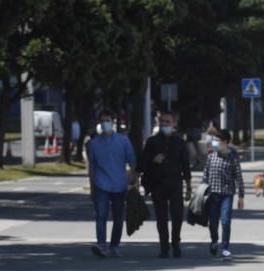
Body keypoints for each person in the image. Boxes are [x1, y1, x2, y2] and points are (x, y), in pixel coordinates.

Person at [140, 110, 191, 258]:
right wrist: (152, 159)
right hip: (157, 183)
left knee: (177, 215)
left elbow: (185, 165)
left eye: (167, 122)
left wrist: (188, 186)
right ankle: (164, 246)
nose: (164, 125)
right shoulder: (152, 141)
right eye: (162, 122)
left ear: (174, 124)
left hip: (175, 183)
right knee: (161, 217)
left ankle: (175, 242)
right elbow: (142, 162)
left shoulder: (180, 142)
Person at [86, 109, 136, 257]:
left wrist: (133, 181)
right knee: (101, 215)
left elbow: (132, 163)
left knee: (118, 217)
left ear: (113, 121)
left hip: (119, 185)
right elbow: (92, 167)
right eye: (102, 121)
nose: (104, 123)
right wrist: (92, 187)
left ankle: (114, 245)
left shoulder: (123, 141)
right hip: (101, 184)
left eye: (107, 120)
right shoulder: (94, 144)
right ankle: (101, 244)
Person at [202, 129, 245, 259]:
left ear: (225, 142)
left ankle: (225, 248)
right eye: (214, 140)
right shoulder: (211, 156)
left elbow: (238, 177)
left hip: (227, 195)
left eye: (217, 141)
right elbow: (205, 175)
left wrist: (241, 196)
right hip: (213, 195)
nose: (214, 143)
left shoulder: (233, 158)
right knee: (213, 222)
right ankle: (214, 240)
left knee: (225, 221)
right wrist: (202, 192)